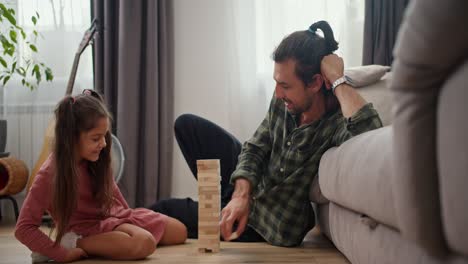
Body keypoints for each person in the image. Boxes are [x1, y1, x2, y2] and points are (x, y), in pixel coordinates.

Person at [150, 20, 382, 247]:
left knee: (162, 212)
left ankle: (223, 212)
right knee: (187, 125)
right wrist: (241, 195)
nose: (278, 93)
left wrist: (338, 79)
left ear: (315, 83)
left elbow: (370, 136)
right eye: (277, 82)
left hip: (263, 221)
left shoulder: (337, 122)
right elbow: (256, 146)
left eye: (286, 86)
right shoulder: (284, 101)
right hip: (250, 186)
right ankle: (228, 202)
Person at [15, 89, 187, 263]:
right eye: (96, 138)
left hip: (112, 219)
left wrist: (130, 222)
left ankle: (108, 243)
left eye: (104, 136)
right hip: (84, 229)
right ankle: (72, 243)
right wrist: (60, 253)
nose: (103, 144)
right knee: (144, 242)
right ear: (71, 137)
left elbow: (115, 198)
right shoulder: (50, 173)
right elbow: (23, 228)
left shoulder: (96, 159)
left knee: (179, 231)